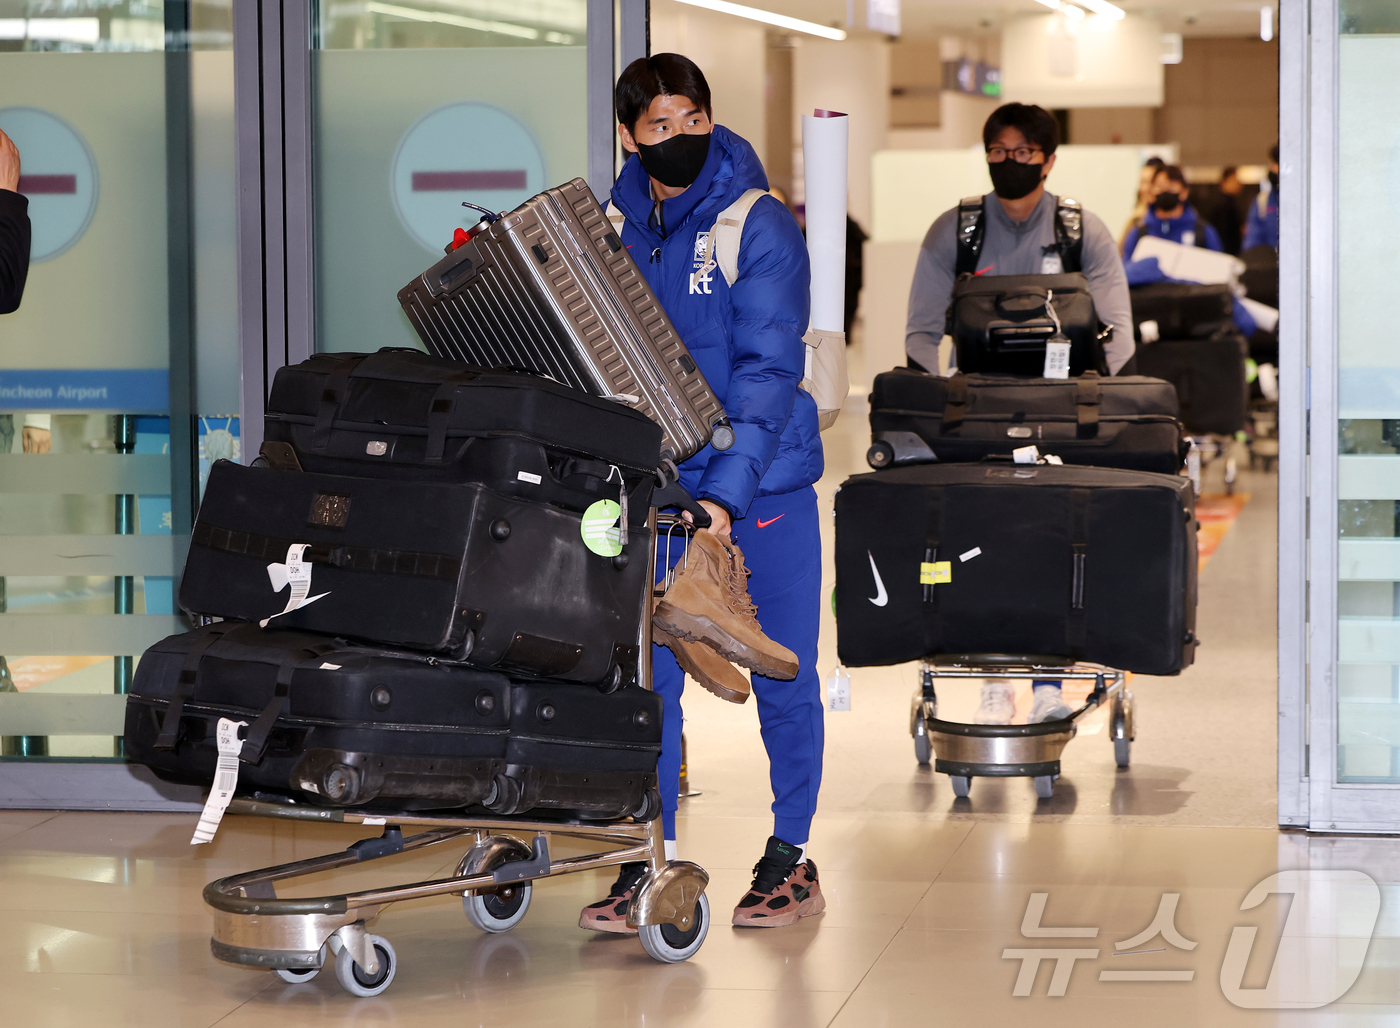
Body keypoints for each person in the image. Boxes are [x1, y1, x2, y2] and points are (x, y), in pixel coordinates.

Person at [580, 53, 827, 932]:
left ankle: (790, 854)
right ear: (627, 134)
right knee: (646, 686)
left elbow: (766, 373)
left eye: (693, 121)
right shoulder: (605, 228)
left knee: (780, 670)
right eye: (658, 127)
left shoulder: (758, 224)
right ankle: (650, 860)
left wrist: (721, 499)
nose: (679, 138)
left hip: (762, 488)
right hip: (657, 492)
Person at [904, 102, 1133, 726]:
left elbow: (1119, 335)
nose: (1011, 163)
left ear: (1049, 159)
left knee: (1055, 537)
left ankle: (1050, 681)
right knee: (978, 538)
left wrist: (1087, 392)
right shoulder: (956, 231)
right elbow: (921, 334)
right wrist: (948, 390)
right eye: (999, 152)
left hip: (1063, 412)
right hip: (977, 414)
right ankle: (992, 676)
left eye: (1024, 153)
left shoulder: (1083, 232)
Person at [1121, 164, 1222, 257]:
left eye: (1171, 187)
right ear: (1151, 192)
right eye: (1160, 186)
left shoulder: (1203, 232)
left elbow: (1217, 269)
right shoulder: (1139, 233)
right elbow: (1126, 270)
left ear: (1184, 192)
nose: (1165, 191)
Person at [1120, 155, 1165, 250]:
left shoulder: (1178, 219)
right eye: (1141, 182)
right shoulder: (1136, 220)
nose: (1142, 188)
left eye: (1148, 182)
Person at [1243, 143, 1280, 251]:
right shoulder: (1262, 201)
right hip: (1271, 263)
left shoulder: (1306, 201)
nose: (1272, 169)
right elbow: (1252, 242)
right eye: (1272, 164)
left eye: (1276, 164)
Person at [1211, 165, 1246, 255]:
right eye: (1234, 180)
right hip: (1226, 252)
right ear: (1225, 182)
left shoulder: (1232, 202)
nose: (1238, 184)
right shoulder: (1222, 204)